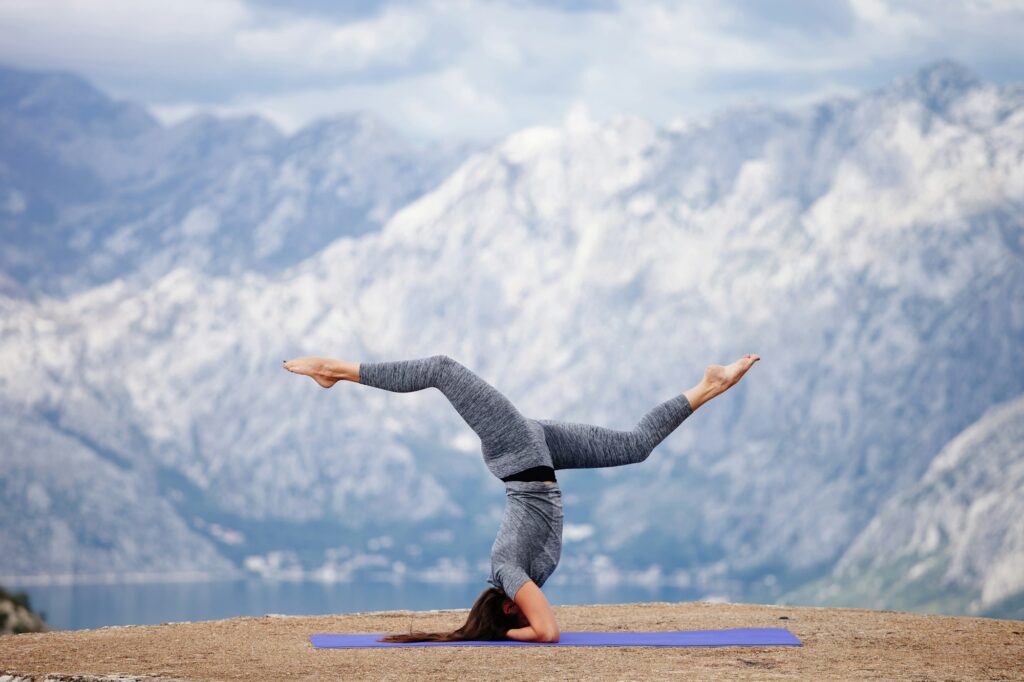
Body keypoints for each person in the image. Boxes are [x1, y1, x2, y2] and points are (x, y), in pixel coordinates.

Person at [283, 352, 759, 643]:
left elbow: (547, 633)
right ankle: (709, 385)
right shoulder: (528, 572)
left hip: (517, 451)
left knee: (441, 369)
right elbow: (544, 625)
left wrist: (513, 635)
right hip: (538, 454)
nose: (533, 604)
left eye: (521, 607)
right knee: (634, 448)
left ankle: (335, 370)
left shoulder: (506, 570)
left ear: (508, 604)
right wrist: (508, 633)